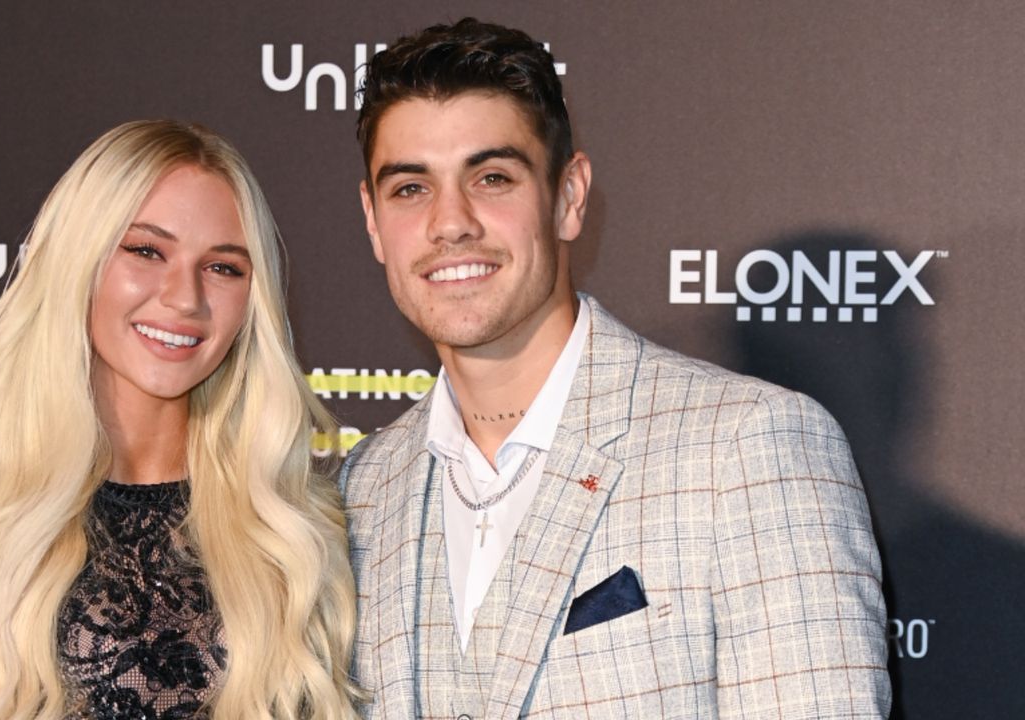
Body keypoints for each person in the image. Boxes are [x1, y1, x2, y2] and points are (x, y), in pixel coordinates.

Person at [341, 18, 891, 718]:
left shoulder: (749, 447)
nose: (451, 222)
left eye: (492, 177)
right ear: (372, 219)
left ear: (569, 196)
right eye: (411, 189)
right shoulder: (363, 487)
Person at [0, 120, 360, 720]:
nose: (184, 298)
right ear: (79, 261)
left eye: (223, 267)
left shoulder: (295, 530)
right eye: (146, 251)